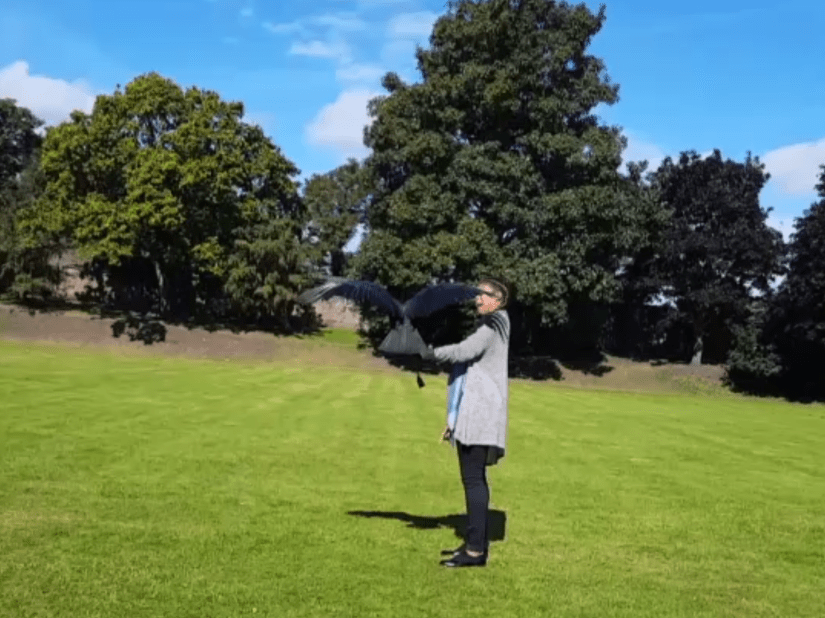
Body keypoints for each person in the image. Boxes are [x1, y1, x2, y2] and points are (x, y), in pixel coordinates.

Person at [419, 277, 511, 567]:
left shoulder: (493, 324)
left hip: (481, 414)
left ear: (499, 301)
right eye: (477, 294)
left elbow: (463, 351)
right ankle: (474, 546)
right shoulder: (495, 324)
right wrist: (454, 418)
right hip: (478, 412)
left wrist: (428, 353)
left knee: (473, 480)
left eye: (485, 294)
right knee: (474, 480)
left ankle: (474, 551)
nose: (478, 299)